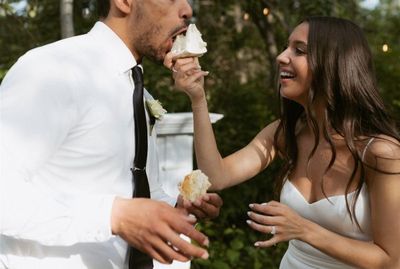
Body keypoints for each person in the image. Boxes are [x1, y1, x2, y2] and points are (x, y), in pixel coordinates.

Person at [0, 0, 223, 268]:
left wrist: (175, 210)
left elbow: (138, 194)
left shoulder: (138, 93)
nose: (187, 9)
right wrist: (113, 216)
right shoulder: (54, 69)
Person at [165, 16, 400, 268]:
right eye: (287, 47)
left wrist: (304, 229)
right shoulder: (286, 133)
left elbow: (390, 260)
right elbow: (217, 175)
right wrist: (198, 99)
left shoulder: (381, 153)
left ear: (333, 64)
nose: (281, 56)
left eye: (299, 50)